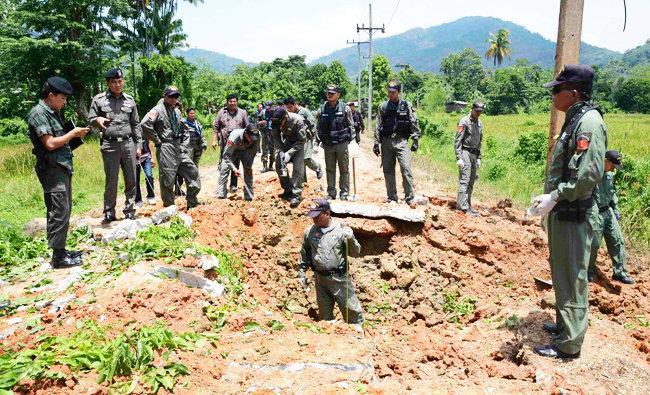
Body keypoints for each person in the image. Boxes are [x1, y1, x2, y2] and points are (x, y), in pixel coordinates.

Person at [528, 64, 607, 359]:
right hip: (565, 212)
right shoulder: (575, 120)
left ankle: (569, 344)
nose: (553, 95)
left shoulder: (587, 123)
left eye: (557, 90)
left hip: (575, 214)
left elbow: (587, 175)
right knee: (561, 269)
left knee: (573, 275)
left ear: (572, 94)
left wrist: (555, 196)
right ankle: (564, 326)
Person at [28, 76, 89, 268]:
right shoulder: (39, 113)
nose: (65, 102)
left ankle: (61, 250)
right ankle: (58, 258)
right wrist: (72, 134)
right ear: (51, 95)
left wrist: (73, 137)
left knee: (63, 210)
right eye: (62, 98)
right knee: (58, 210)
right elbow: (50, 143)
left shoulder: (52, 112)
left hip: (61, 167)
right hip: (51, 169)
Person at [87, 68, 143, 224]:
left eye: (120, 81)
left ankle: (130, 209)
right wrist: (97, 119)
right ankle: (109, 212)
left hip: (128, 144)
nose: (117, 85)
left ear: (123, 81)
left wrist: (139, 145)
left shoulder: (130, 100)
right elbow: (90, 119)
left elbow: (136, 124)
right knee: (111, 180)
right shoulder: (99, 100)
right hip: (109, 144)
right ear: (108, 83)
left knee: (131, 178)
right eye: (114, 82)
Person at [298, 199, 364, 324]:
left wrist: (351, 239)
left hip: (339, 279)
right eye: (313, 216)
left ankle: (357, 332)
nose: (314, 220)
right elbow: (305, 253)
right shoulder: (310, 232)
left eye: (317, 216)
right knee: (325, 314)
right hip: (320, 279)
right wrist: (302, 272)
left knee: (351, 310)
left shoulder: (340, 230)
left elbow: (356, 252)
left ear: (327, 213)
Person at [140, 86, 201, 209]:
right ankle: (170, 208)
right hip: (166, 146)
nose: (174, 99)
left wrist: (184, 145)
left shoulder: (177, 111)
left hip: (178, 146)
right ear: (165, 96)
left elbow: (184, 129)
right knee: (168, 180)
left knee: (193, 172)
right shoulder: (157, 110)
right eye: (171, 96)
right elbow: (145, 124)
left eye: (176, 96)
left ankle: (192, 204)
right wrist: (157, 140)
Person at [588, 150, 634, 284]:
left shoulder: (608, 176)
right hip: (595, 213)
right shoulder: (593, 174)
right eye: (613, 165)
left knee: (617, 240)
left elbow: (612, 193)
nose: (614, 169)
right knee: (593, 243)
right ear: (605, 161)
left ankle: (620, 273)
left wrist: (616, 209)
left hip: (608, 212)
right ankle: (588, 271)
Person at [373, 81, 420, 206]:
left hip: (401, 141)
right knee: (388, 170)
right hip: (386, 141)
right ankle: (392, 197)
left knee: (406, 169)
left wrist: (415, 140)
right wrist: (376, 142)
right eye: (389, 92)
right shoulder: (383, 107)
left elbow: (414, 122)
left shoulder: (406, 105)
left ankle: (409, 197)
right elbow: (378, 125)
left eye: (393, 92)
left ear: (398, 92)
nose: (390, 94)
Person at [315, 85, 356, 200]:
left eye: (333, 93)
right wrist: (316, 142)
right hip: (328, 144)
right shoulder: (322, 109)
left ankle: (344, 193)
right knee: (330, 169)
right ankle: (331, 193)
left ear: (338, 95)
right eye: (328, 93)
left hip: (342, 143)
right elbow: (318, 127)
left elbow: (351, 125)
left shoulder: (345, 108)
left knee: (344, 169)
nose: (330, 95)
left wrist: (352, 142)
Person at [212, 93, 249, 191]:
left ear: (237, 102)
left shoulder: (242, 112)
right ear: (227, 102)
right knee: (224, 164)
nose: (232, 103)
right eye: (230, 101)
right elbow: (216, 128)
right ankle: (222, 187)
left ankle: (233, 185)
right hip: (225, 144)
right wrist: (214, 140)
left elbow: (247, 128)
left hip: (238, 145)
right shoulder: (221, 113)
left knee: (235, 163)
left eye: (234, 101)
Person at [271, 107, 306, 208]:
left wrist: (290, 153)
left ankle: (296, 195)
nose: (279, 126)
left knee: (297, 169)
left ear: (285, 117)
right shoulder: (276, 121)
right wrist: (281, 151)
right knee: (279, 164)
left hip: (298, 143)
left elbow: (302, 140)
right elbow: (276, 138)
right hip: (287, 142)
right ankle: (288, 189)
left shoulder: (298, 120)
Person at [454, 101, 485, 216]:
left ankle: (467, 204)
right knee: (465, 180)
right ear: (472, 109)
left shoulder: (480, 123)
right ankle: (462, 207)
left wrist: (479, 157)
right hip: (465, 152)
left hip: (474, 154)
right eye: (477, 111)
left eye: (480, 112)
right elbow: (458, 140)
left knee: (471, 181)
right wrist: (459, 157)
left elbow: (479, 141)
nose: (478, 113)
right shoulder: (464, 122)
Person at [216, 124, 260, 201]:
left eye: (253, 138)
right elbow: (226, 156)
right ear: (246, 133)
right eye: (250, 137)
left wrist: (248, 165)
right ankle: (221, 195)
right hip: (232, 152)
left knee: (248, 171)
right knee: (224, 169)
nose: (251, 140)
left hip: (246, 151)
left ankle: (248, 196)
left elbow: (253, 152)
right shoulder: (234, 137)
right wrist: (234, 169)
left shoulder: (256, 136)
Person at [284, 96, 323, 180]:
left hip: (307, 138)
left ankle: (317, 167)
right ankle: (303, 179)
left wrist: (315, 140)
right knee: (299, 160)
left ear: (295, 104)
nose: (289, 109)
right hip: (297, 139)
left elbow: (313, 124)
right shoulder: (289, 113)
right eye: (287, 108)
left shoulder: (304, 111)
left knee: (306, 158)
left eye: (290, 107)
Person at [176, 107, 206, 195]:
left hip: (197, 147)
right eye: (191, 113)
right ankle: (182, 188)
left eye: (194, 113)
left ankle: (195, 185)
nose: (192, 115)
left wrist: (204, 143)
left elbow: (201, 134)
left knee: (195, 168)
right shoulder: (183, 123)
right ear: (187, 114)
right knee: (187, 168)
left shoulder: (197, 123)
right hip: (188, 147)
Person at [135, 140, 156, 207]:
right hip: (135, 157)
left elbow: (150, 142)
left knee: (149, 175)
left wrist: (152, 157)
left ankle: (151, 196)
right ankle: (138, 200)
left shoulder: (145, 129)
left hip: (146, 155)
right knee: (135, 179)